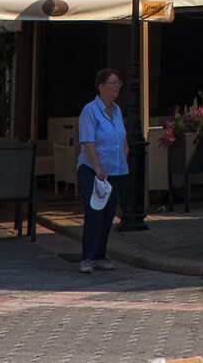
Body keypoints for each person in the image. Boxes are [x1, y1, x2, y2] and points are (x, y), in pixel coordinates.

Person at [76, 67, 129, 274]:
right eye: (113, 82)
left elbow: (121, 138)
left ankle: (100, 256)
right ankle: (87, 258)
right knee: (94, 214)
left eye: (119, 83)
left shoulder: (117, 110)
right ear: (101, 86)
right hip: (92, 170)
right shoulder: (90, 110)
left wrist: (124, 154)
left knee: (108, 214)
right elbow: (88, 141)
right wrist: (98, 168)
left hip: (115, 171)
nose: (117, 86)